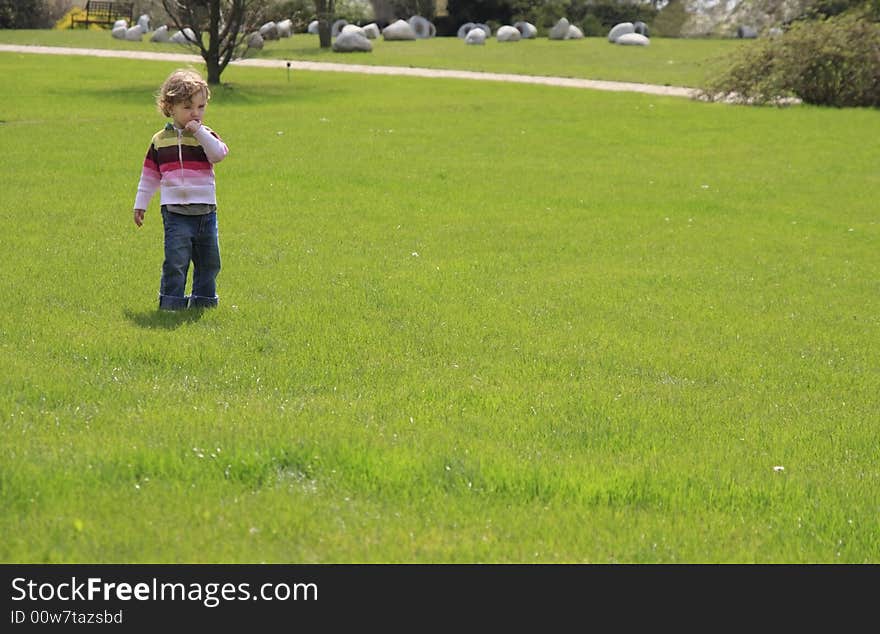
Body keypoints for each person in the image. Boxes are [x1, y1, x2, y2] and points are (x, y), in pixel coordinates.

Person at [132, 68, 229, 310]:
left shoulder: (206, 136)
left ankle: (204, 302)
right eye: (187, 108)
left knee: (209, 261)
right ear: (170, 107)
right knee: (176, 260)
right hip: (175, 213)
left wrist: (200, 133)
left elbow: (218, 154)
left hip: (206, 212)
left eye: (201, 107)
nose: (195, 113)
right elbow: (150, 176)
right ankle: (171, 303)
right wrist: (140, 204)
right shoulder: (160, 140)